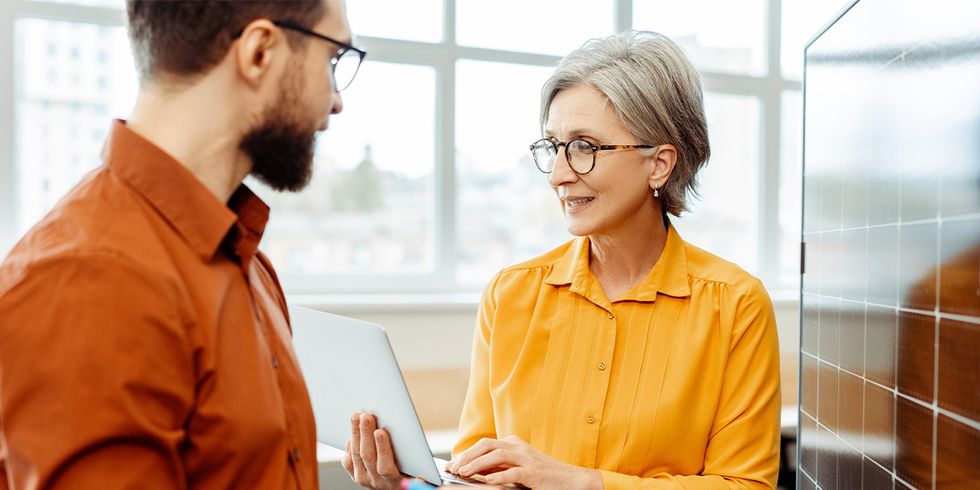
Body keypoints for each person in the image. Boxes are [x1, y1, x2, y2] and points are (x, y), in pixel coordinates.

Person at [344, 31, 780, 489]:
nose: (558, 174)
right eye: (553, 146)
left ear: (659, 163)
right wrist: (405, 486)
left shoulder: (734, 305)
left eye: (585, 147)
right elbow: (479, 474)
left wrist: (581, 482)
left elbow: (745, 485)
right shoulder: (509, 294)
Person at [0, 0, 364, 488]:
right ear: (260, 51)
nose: (337, 101)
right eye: (333, 58)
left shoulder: (250, 266)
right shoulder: (88, 278)